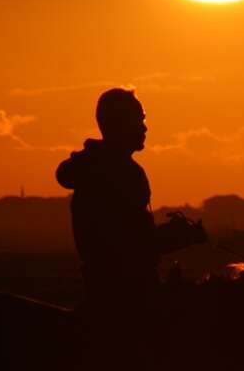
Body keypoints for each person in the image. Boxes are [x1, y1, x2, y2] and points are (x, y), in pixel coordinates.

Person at [56, 88, 205, 321]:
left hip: (104, 290)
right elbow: (132, 245)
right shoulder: (123, 174)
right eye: (139, 120)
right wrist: (182, 236)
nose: (144, 128)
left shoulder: (97, 169)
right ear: (119, 124)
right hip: (129, 298)